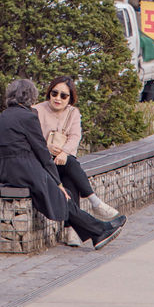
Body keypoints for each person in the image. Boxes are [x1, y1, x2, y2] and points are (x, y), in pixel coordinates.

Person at [0, 78, 127, 250]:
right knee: (62, 195)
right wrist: (58, 183)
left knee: (65, 196)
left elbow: (0, 151)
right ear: (30, 97)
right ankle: (99, 231)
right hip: (26, 169)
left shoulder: (2, 117)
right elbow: (42, 151)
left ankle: (98, 232)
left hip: (8, 171)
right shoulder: (28, 117)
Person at [34, 75, 119, 246]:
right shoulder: (37, 110)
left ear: (70, 98)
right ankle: (94, 202)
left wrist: (64, 152)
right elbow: (33, 139)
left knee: (69, 174)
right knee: (71, 165)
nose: (57, 98)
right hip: (44, 163)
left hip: (62, 161)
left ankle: (71, 230)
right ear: (49, 93)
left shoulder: (73, 113)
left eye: (63, 96)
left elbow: (75, 137)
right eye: (54, 93)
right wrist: (47, 149)